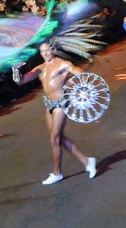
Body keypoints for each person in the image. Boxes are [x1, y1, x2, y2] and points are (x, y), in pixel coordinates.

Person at [19, 42, 96, 185]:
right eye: (42, 52)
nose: (46, 54)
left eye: (47, 50)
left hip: (61, 105)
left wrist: (78, 89)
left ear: (53, 49)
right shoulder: (41, 68)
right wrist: (15, 70)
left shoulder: (62, 64)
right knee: (58, 139)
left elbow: (82, 75)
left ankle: (57, 172)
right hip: (49, 105)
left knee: (54, 139)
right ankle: (87, 161)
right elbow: (21, 81)